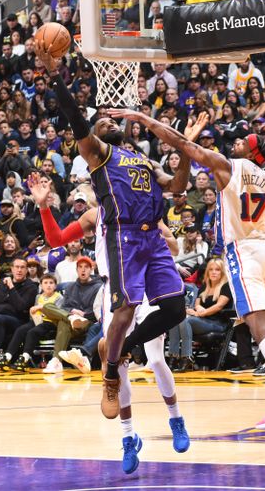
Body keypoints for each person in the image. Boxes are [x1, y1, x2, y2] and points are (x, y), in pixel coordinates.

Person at [109, 109, 265, 431]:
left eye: (241, 142)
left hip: (242, 252)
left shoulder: (230, 167)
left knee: (258, 328)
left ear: (249, 151)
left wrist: (142, 119)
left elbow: (182, 144)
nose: (235, 143)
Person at [35, 42, 191, 420]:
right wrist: (56, 76)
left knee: (175, 308)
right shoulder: (99, 154)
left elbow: (178, 187)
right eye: (100, 119)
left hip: (151, 238)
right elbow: (74, 117)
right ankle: (110, 377)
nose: (108, 119)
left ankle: (118, 353)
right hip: (122, 239)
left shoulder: (143, 160)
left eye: (111, 117)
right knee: (124, 309)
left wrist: (186, 149)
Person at [31, 172, 190, 473]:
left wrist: (160, 237)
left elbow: (174, 247)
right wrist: (43, 206)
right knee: (118, 365)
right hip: (114, 288)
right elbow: (55, 240)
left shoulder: (140, 209)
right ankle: (129, 437)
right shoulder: (95, 215)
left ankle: (176, 419)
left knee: (156, 359)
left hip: (144, 284)